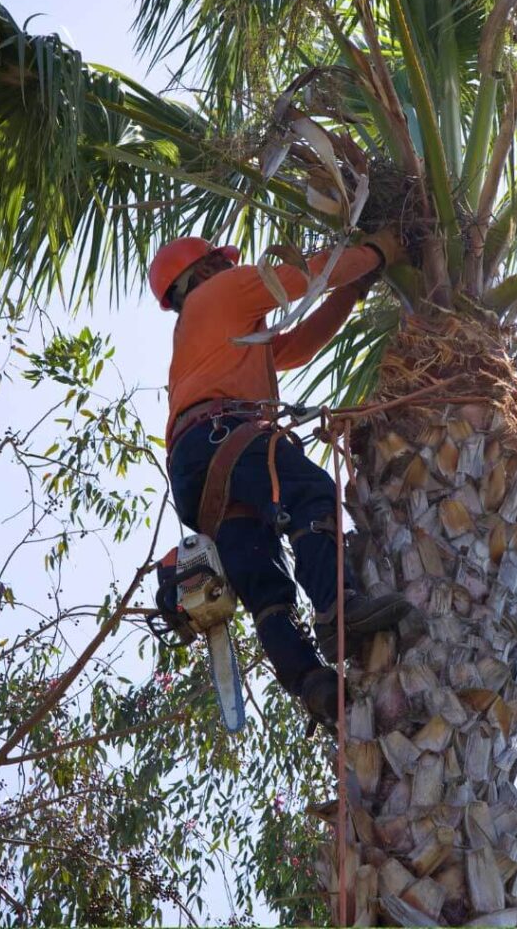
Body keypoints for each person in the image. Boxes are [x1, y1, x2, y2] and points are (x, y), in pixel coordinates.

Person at [149, 231, 413, 729]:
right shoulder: (221, 293)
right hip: (222, 434)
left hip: (195, 469)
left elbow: (297, 347)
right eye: (222, 263)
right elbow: (301, 276)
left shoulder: (213, 328)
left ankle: (311, 683)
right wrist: (380, 251)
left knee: (265, 585)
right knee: (310, 494)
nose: (232, 267)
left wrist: (356, 289)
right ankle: (338, 607)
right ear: (204, 271)